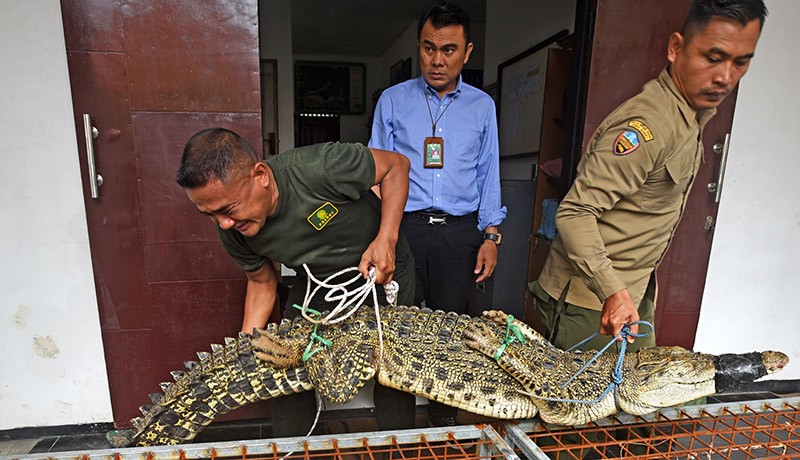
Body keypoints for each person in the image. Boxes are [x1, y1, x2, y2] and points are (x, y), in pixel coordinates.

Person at [530, 0, 767, 354]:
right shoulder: (648, 126)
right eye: (713, 57)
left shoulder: (689, 116)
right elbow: (575, 213)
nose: (725, 77)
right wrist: (613, 291)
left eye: (740, 62)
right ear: (676, 48)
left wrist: (625, 294)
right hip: (593, 302)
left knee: (638, 385)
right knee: (585, 391)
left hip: (633, 293)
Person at [176, 128, 418, 436]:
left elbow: (396, 166)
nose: (224, 223)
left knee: (393, 369)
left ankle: (398, 447)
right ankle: (290, 449)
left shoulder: (321, 166)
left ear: (260, 175)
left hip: (379, 270)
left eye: (228, 209)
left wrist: (387, 239)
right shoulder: (231, 230)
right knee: (283, 367)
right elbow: (262, 283)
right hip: (317, 283)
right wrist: (244, 350)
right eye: (210, 215)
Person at [369, 1, 506, 427]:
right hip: (404, 230)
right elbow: (376, 175)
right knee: (395, 331)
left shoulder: (482, 107)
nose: (437, 60)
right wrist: (381, 236)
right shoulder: (393, 101)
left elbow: (488, 171)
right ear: (419, 47)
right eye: (429, 48)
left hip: (459, 235)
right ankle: (393, 432)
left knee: (453, 337)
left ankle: (444, 427)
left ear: (467, 52)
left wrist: (491, 236)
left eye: (449, 50)